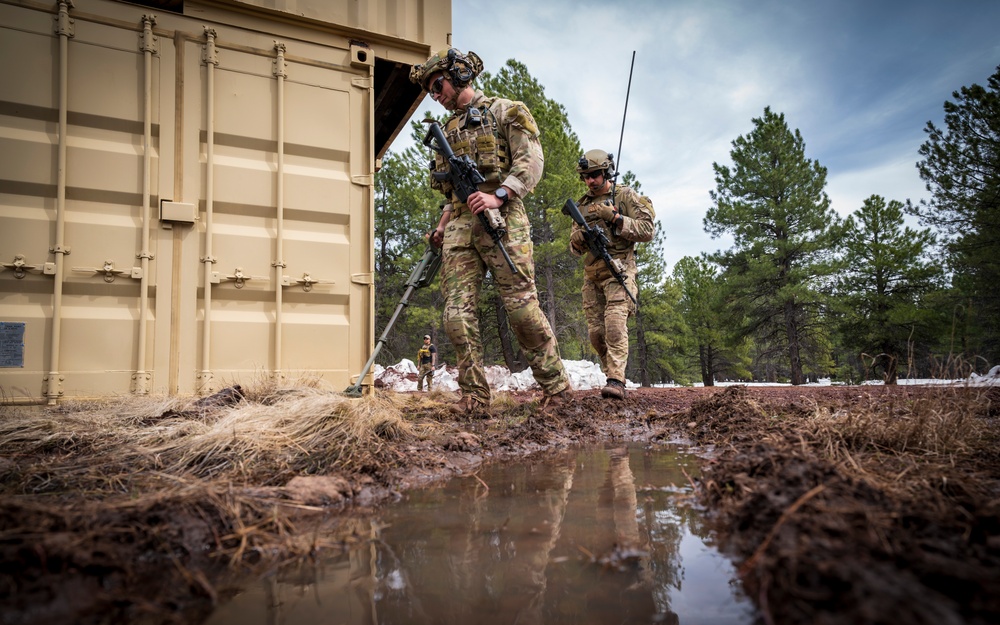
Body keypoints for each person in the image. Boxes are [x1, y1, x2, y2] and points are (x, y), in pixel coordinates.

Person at [409, 48, 571, 416]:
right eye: (431, 92)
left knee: (521, 309)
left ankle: (556, 389)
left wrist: (499, 195)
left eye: (438, 86)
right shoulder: (446, 132)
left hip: (504, 216)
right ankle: (474, 397)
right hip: (461, 225)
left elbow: (531, 162)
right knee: (456, 315)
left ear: (460, 74)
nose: (436, 96)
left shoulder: (506, 110)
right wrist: (441, 226)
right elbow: (452, 194)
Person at [570, 149, 655, 399]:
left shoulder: (624, 195)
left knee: (615, 326)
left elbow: (648, 230)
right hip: (592, 274)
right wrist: (580, 238)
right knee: (596, 334)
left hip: (619, 270)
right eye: (586, 176)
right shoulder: (581, 205)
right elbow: (573, 247)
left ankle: (616, 380)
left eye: (595, 175)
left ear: (606, 172)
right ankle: (612, 372)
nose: (590, 181)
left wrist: (616, 218)